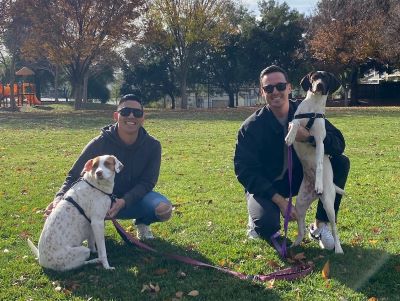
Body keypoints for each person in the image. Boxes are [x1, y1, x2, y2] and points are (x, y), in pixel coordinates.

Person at [233, 65, 350, 251]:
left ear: (289, 87)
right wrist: (280, 201)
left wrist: (310, 138)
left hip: (299, 178)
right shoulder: (251, 127)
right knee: (268, 227)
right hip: (268, 186)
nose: (275, 92)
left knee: (341, 162)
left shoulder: (306, 111)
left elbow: (339, 144)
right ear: (262, 92)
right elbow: (245, 171)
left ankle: (320, 225)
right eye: (268, 88)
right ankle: (256, 218)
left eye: (280, 86)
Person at [45, 94, 172, 239]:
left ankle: (142, 223)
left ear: (143, 118)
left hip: (134, 199)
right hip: (100, 199)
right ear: (116, 116)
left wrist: (124, 201)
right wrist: (59, 198)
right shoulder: (100, 142)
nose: (131, 116)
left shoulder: (153, 145)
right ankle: (92, 227)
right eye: (125, 112)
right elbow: (74, 175)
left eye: (137, 113)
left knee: (164, 209)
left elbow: (148, 182)